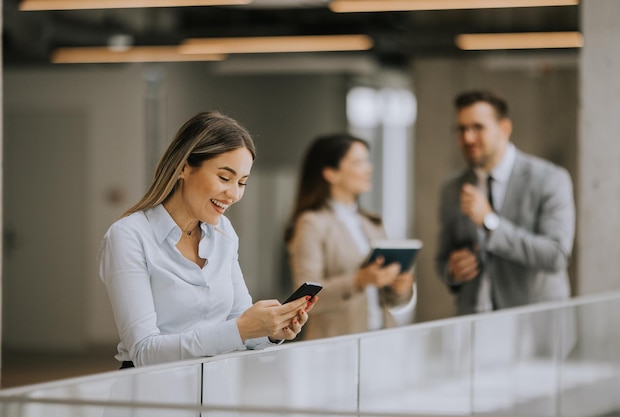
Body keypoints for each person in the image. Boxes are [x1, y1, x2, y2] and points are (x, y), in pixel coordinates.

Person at [98, 111, 317, 368]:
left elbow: (239, 321)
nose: (234, 194)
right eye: (224, 177)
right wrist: (241, 328)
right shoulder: (129, 236)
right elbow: (144, 351)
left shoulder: (224, 232)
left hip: (213, 392)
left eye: (242, 182)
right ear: (184, 167)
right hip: (153, 395)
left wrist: (270, 332)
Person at [437, 90, 575, 315]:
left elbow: (556, 256)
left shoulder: (550, 179)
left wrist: (490, 222)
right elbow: (442, 258)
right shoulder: (452, 187)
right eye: (462, 129)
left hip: (535, 326)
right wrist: (452, 271)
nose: (468, 138)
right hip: (472, 327)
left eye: (478, 128)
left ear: (504, 129)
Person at [285, 133, 416, 340]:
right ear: (331, 173)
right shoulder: (311, 223)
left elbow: (393, 301)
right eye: (358, 162)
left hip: (382, 342)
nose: (369, 168)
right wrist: (357, 280)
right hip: (335, 346)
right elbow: (303, 296)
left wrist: (400, 288)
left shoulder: (372, 223)